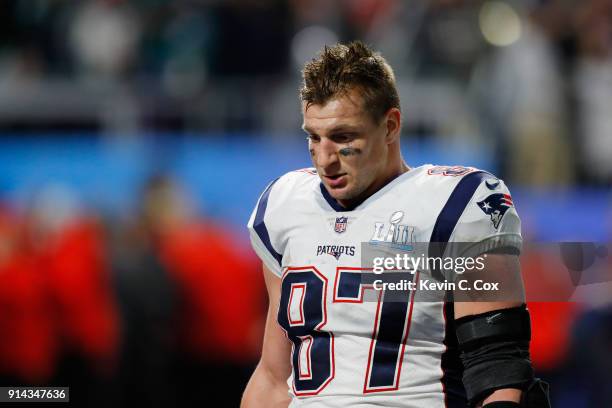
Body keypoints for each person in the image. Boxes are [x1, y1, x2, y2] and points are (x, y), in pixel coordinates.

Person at [242, 41, 549, 408]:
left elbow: (497, 368)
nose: (325, 158)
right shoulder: (285, 205)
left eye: (343, 138)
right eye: (314, 137)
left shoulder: (458, 204)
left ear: (390, 126)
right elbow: (274, 376)